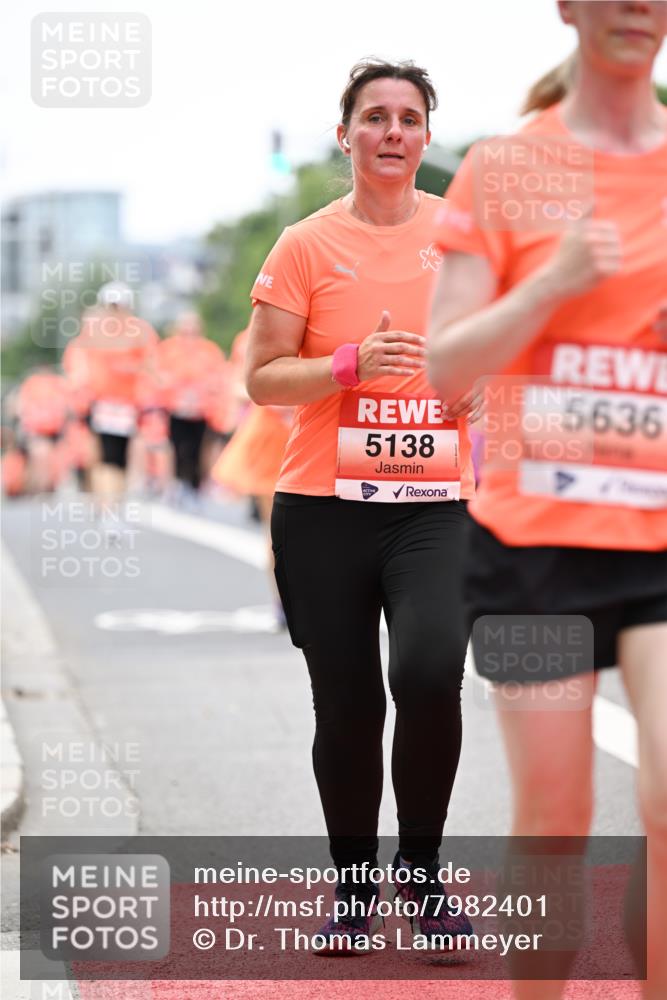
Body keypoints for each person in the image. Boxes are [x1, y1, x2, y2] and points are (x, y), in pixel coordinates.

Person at [428, 3, 667, 997]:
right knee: (555, 819)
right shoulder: (504, 165)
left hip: (657, 534)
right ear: (568, 7)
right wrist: (549, 288)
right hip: (530, 547)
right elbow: (443, 370)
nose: (633, 9)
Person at [245, 58, 478, 952]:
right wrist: (346, 368)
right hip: (322, 507)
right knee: (345, 707)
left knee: (426, 674)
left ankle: (420, 879)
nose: (391, 132)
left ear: (426, 136)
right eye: (373, 116)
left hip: (436, 505)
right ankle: (353, 888)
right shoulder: (305, 244)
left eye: (408, 118)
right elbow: (262, 379)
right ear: (344, 135)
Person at [66, 281, 159, 505]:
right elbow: (78, 362)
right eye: (112, 305)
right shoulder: (93, 330)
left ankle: (113, 502)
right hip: (99, 403)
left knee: (120, 458)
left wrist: (138, 376)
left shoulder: (141, 331)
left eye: (120, 305)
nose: (116, 310)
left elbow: (151, 364)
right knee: (101, 456)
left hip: (127, 405)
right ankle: (105, 503)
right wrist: (80, 390)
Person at [155, 311, 227, 500]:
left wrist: (207, 391)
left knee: (198, 448)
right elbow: (157, 374)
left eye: (193, 329)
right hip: (175, 408)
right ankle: (175, 483)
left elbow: (219, 377)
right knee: (175, 446)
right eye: (185, 329)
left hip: (201, 410)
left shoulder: (210, 351)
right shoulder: (168, 349)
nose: (189, 333)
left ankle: (196, 486)